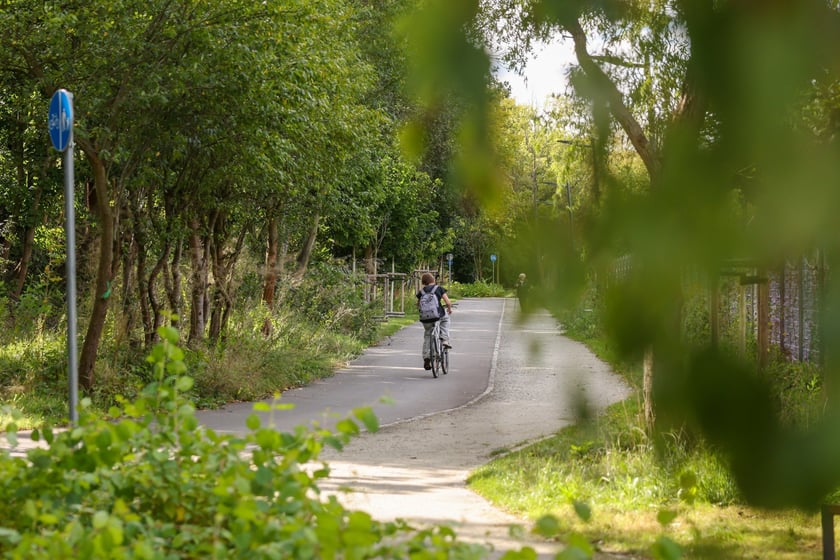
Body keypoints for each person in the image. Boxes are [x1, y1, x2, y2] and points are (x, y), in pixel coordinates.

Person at [416, 272, 453, 370]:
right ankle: (444, 339)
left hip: (425, 318)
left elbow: (418, 305)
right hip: (438, 315)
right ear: (433, 280)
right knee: (445, 320)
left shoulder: (421, 291)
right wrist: (449, 309)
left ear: (424, 282)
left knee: (428, 335)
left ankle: (427, 357)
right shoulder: (439, 288)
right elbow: (448, 302)